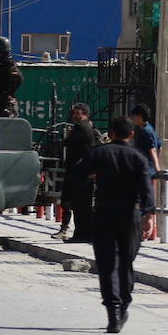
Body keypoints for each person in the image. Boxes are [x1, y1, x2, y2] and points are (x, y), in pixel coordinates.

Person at [70, 116, 155, 333]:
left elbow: (77, 174)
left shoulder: (98, 153)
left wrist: (91, 176)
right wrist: (149, 217)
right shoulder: (138, 158)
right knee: (126, 262)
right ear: (131, 134)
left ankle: (113, 314)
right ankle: (124, 303)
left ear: (112, 133)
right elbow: (147, 191)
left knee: (107, 266)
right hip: (131, 216)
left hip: (104, 213)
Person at [53, 102, 100, 242]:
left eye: (76, 113)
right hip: (81, 171)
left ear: (83, 113)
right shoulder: (84, 127)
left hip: (80, 172)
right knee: (81, 205)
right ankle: (85, 234)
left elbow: (68, 142)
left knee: (81, 206)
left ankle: (81, 235)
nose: (74, 116)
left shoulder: (82, 128)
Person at [130, 104, 161, 179]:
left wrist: (157, 168)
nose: (132, 118)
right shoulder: (149, 129)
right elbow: (159, 146)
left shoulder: (145, 131)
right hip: (149, 169)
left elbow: (152, 149)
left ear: (139, 117)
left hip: (145, 170)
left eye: (134, 116)